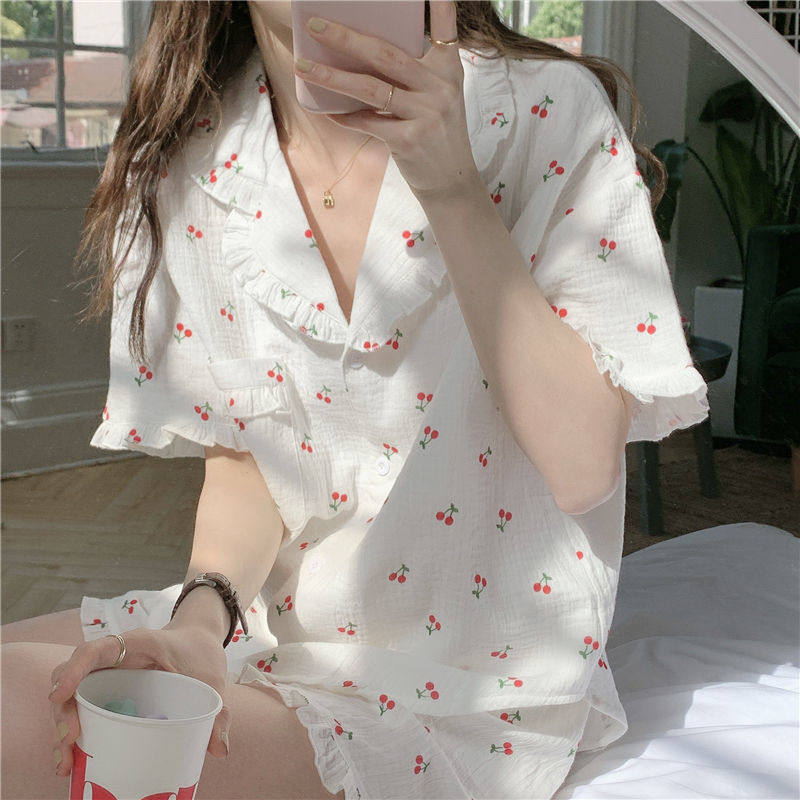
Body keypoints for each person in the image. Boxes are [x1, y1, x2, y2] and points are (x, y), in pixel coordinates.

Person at [1, 1, 710, 798]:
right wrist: (198, 629)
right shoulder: (193, 145)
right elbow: (249, 464)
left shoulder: (547, 111)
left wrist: (451, 187)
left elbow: (583, 466)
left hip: (467, 690)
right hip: (264, 634)